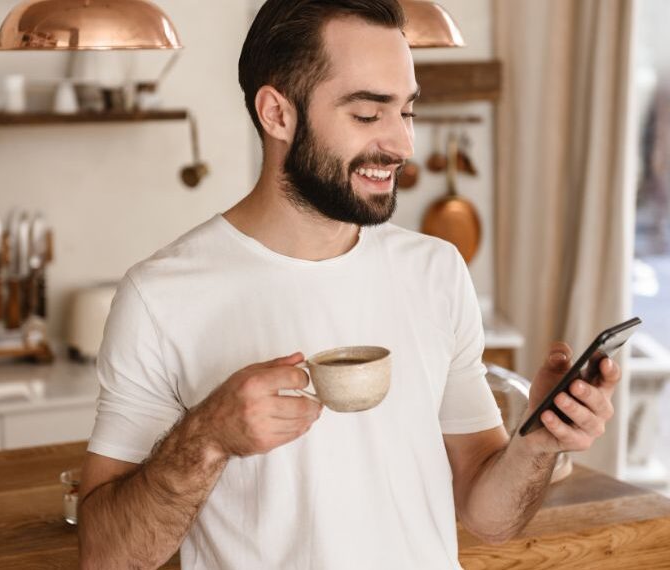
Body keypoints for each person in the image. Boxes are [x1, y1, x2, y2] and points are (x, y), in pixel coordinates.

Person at [78, 1, 622, 568]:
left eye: (406, 112)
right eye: (368, 115)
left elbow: (489, 516)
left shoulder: (436, 271)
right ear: (277, 114)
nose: (402, 146)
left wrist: (538, 443)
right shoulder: (160, 296)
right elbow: (107, 556)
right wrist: (208, 438)